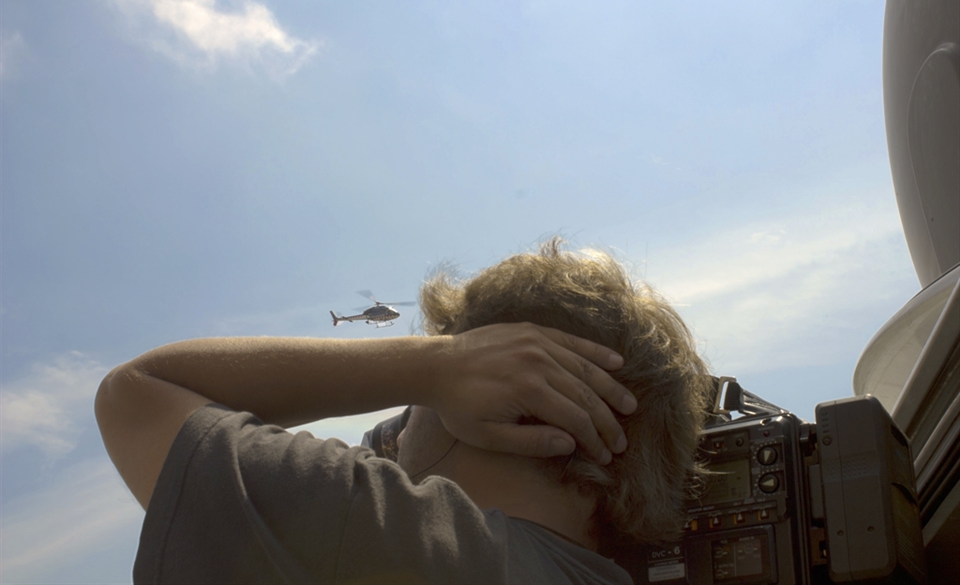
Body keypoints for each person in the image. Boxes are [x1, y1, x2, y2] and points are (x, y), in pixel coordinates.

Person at [96, 238, 710, 584]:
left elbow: (137, 392)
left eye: (452, 372)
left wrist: (430, 367)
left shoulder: (403, 538)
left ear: (506, 401)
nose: (395, 427)